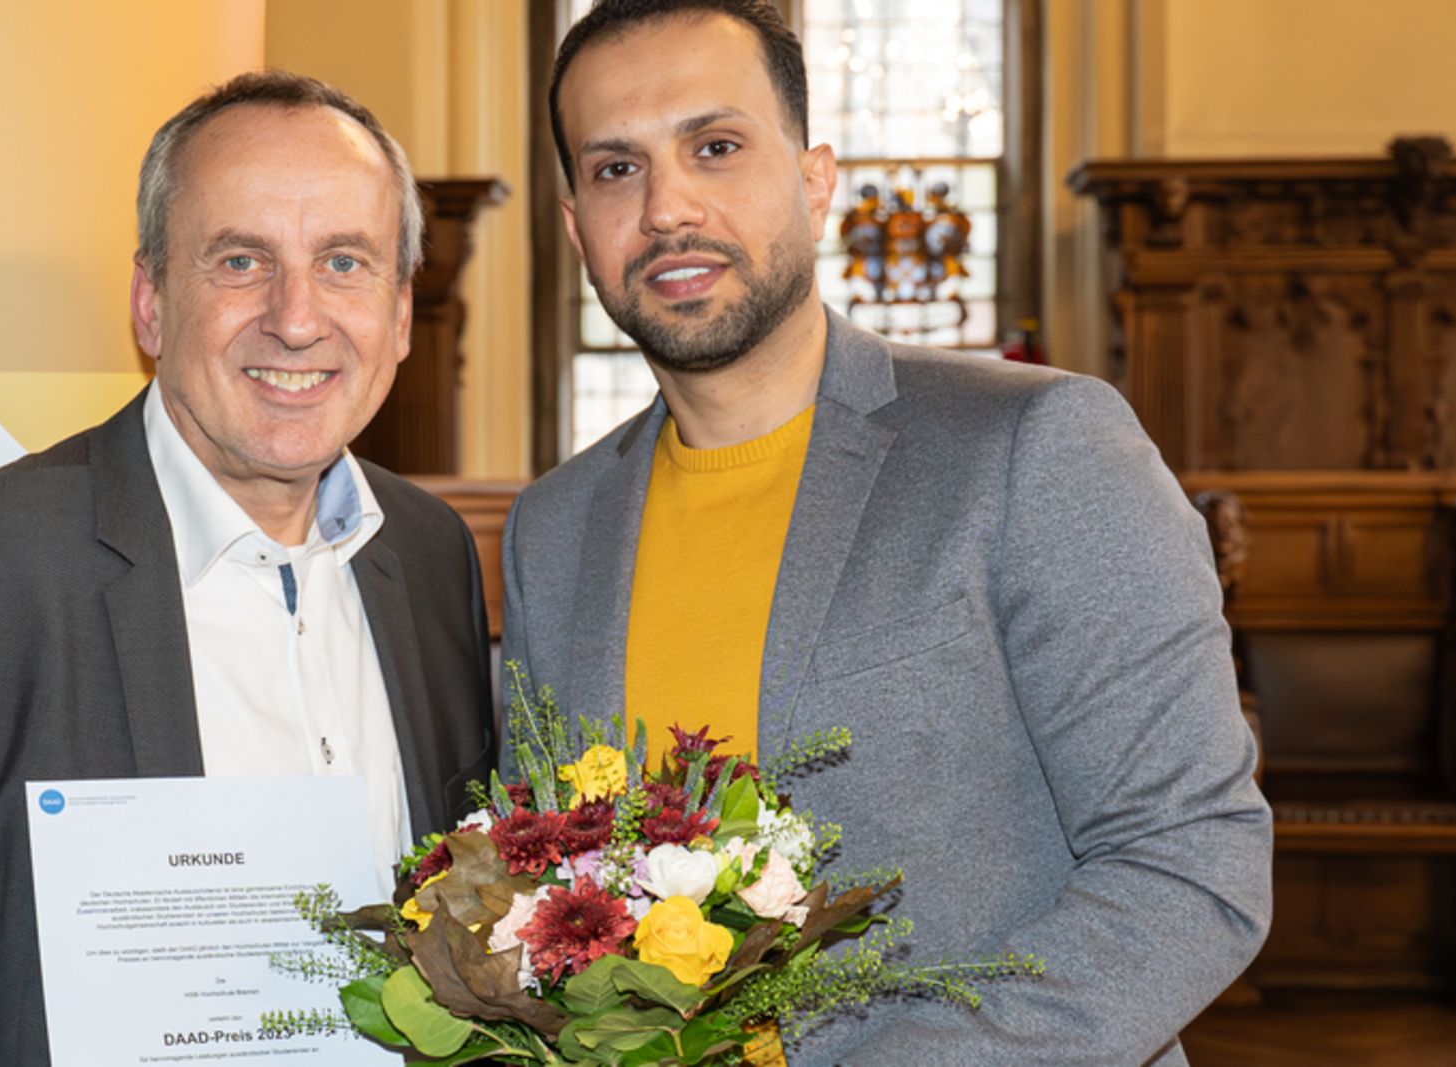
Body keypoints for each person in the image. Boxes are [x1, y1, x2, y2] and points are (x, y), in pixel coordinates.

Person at [502, 2, 1271, 1063]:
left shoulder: (1031, 446)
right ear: (575, 220)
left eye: (715, 148)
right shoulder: (554, 530)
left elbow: (1193, 858)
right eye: (615, 169)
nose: (667, 205)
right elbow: (547, 892)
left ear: (815, 181)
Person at [0, 70, 497, 1065]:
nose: (296, 317)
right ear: (151, 303)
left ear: (397, 312)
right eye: (239, 260)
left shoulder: (428, 557)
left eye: (343, 261)